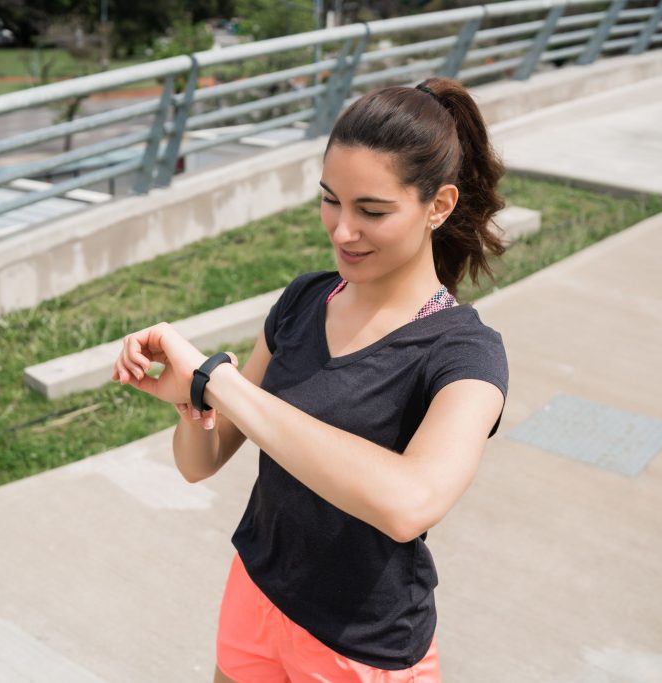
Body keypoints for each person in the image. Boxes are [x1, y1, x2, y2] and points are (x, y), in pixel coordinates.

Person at [112, 76, 509, 682]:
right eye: (331, 200)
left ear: (439, 205)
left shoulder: (464, 353)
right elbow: (201, 462)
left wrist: (217, 381)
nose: (342, 230)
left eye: (371, 211)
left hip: (361, 646)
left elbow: (410, 502)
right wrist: (192, 402)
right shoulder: (303, 300)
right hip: (257, 592)